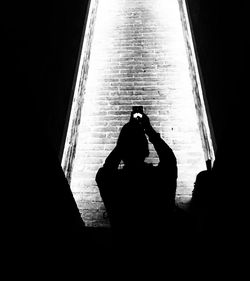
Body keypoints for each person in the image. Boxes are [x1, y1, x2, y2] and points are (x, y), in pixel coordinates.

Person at [96, 111, 178, 244]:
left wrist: (124, 140)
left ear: (122, 150)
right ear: (146, 149)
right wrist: (148, 130)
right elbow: (169, 159)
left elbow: (105, 172)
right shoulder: (158, 178)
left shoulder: (114, 183)